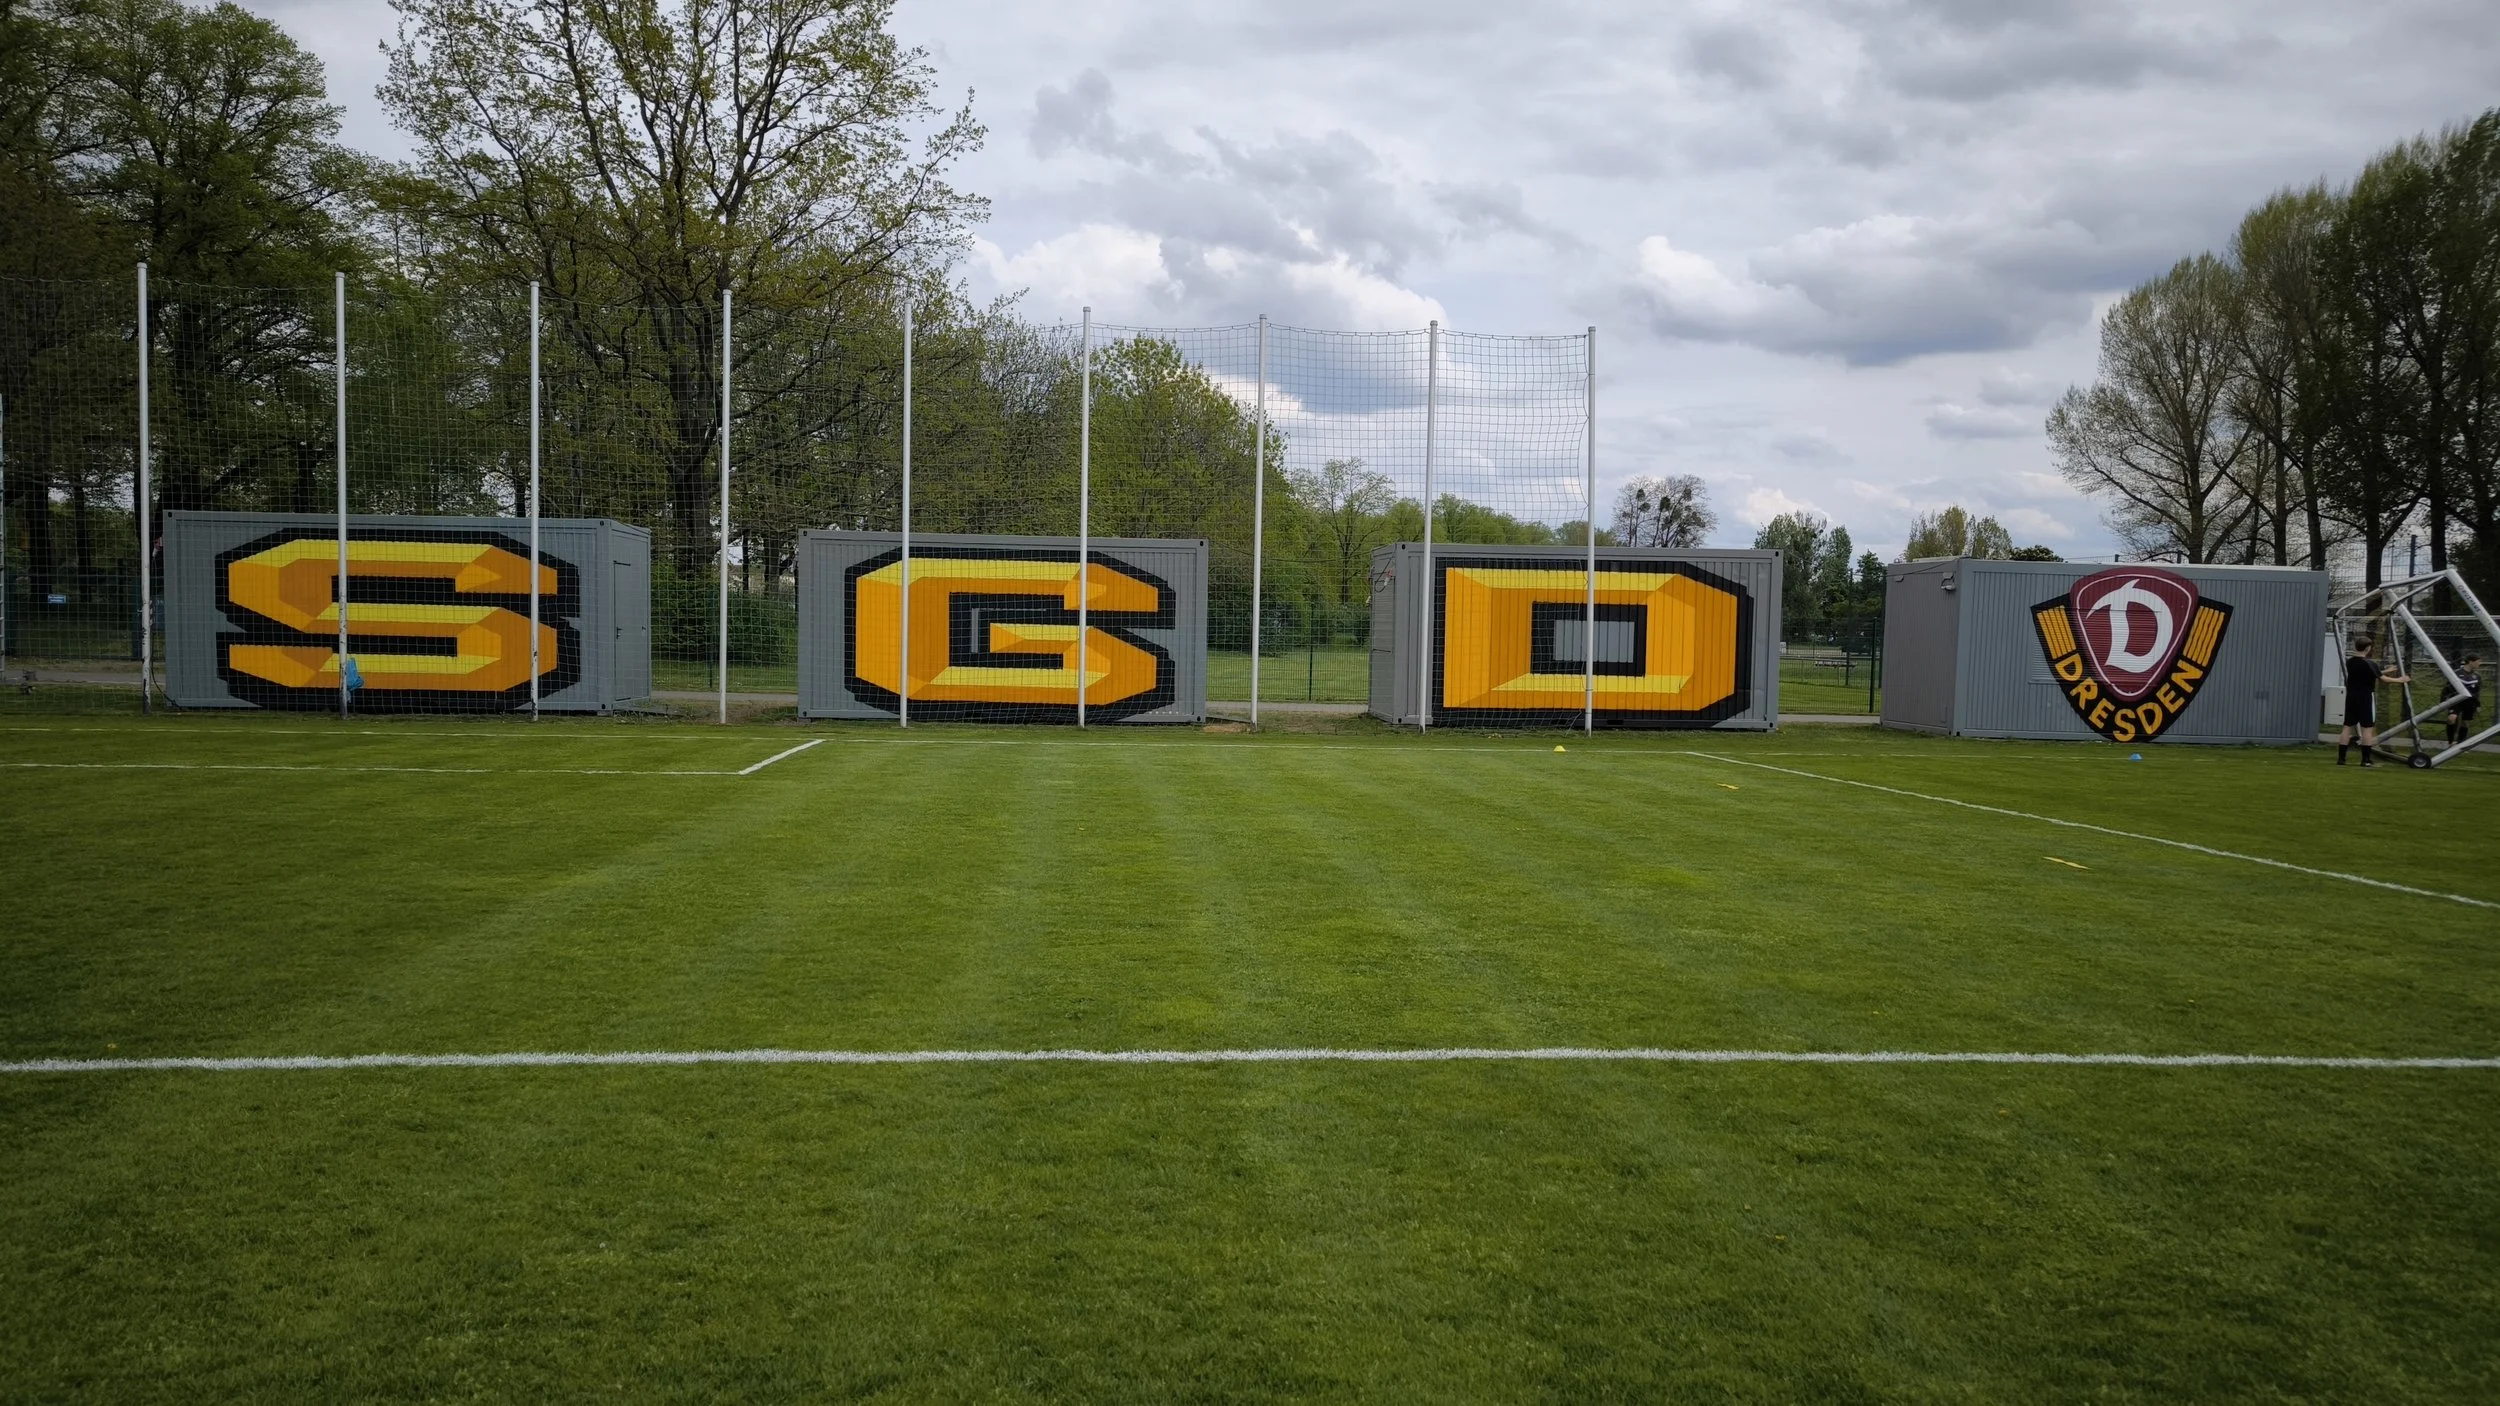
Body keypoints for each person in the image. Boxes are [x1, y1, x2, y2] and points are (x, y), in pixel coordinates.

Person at [2337, 636, 2407, 766]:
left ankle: (2341, 759)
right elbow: (2382, 679)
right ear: (2368, 648)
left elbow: (2371, 673)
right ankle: (2366, 760)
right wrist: (2400, 680)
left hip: (2351, 696)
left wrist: (2386, 671)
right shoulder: (2369, 663)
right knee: (2367, 728)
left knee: (2347, 726)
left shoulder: (2350, 662)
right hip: (2366, 697)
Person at [2447, 652, 2483, 744]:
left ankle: (2460, 743)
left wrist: (2477, 704)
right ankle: (2450, 742)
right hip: (2456, 700)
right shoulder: (2456, 673)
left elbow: (2476, 692)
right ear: (2471, 661)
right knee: (2452, 719)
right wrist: (2445, 700)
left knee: (2466, 723)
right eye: (2478, 661)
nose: (2479, 664)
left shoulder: (2477, 676)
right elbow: (2447, 688)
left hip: (2469, 702)